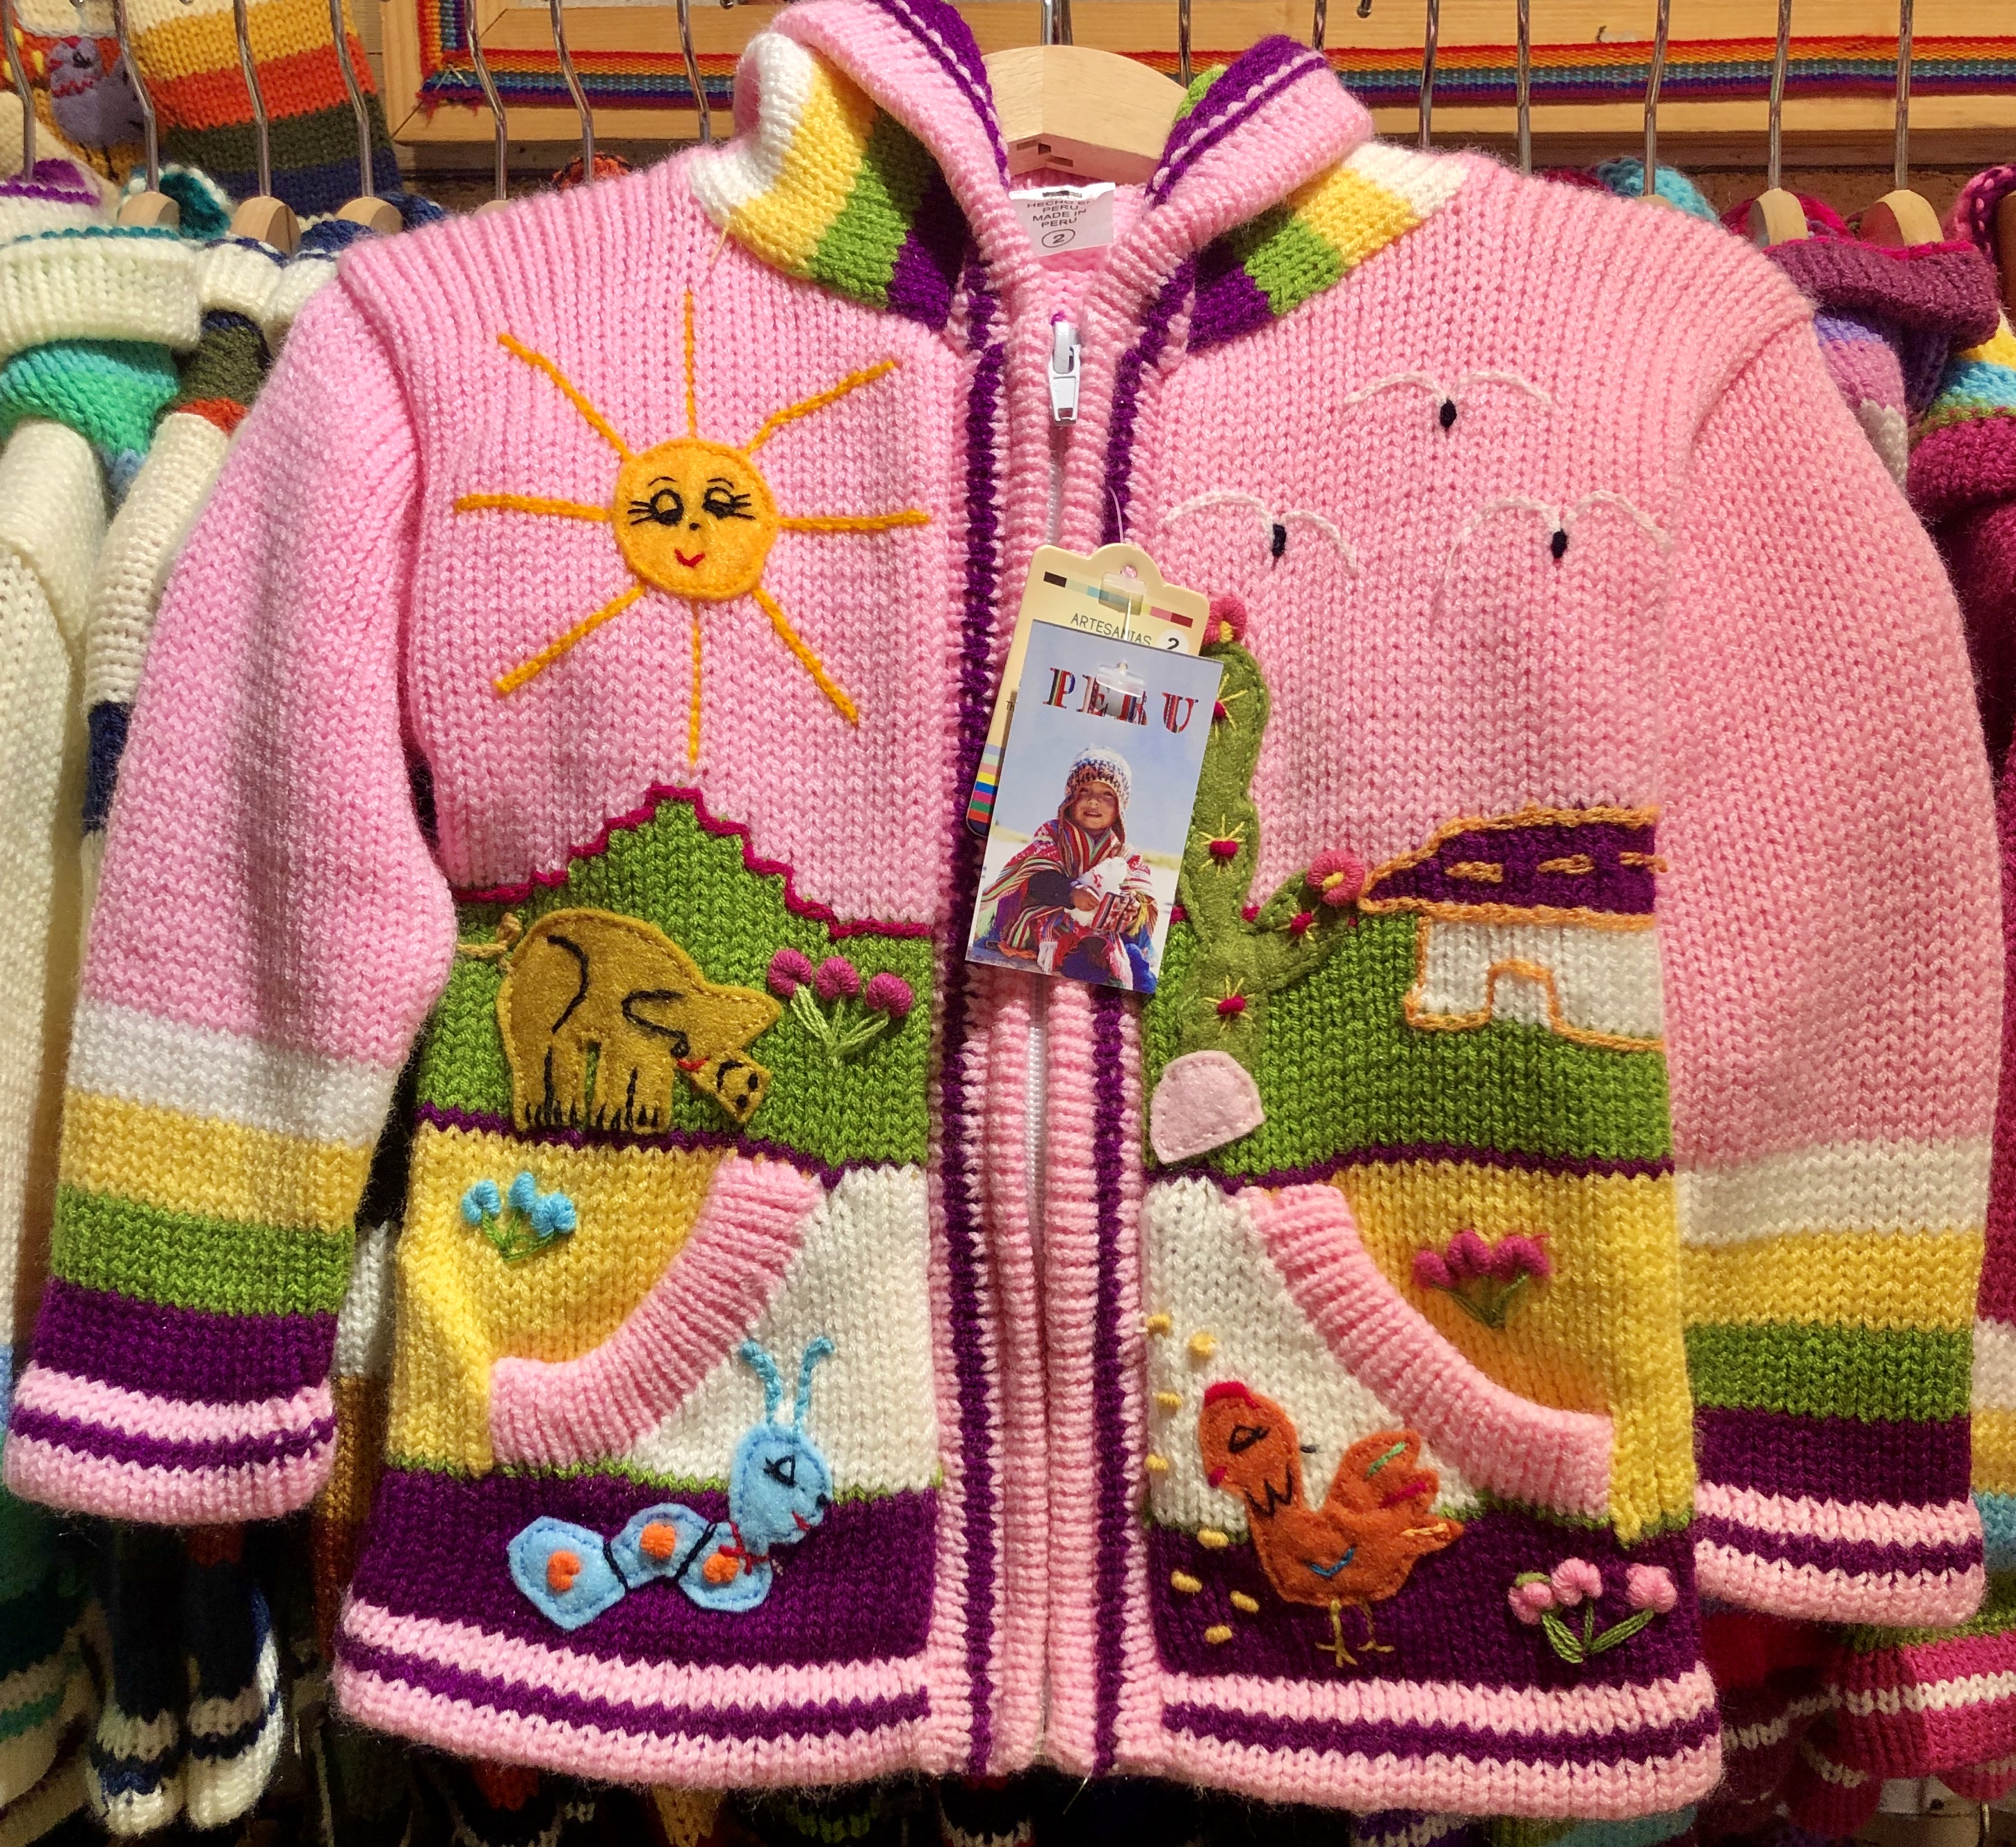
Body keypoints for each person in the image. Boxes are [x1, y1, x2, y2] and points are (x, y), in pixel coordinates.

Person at [975, 748, 1159, 991]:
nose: (1094, 801)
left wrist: (1133, 908)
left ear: (1120, 807)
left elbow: (1139, 887)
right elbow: (1036, 876)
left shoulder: (1124, 852)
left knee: (1133, 947)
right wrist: (1071, 892)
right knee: (1075, 959)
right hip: (1056, 919)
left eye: (1107, 794)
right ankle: (1089, 967)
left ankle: (1132, 967)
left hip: (1107, 926)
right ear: (1070, 798)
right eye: (1085, 791)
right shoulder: (1054, 834)